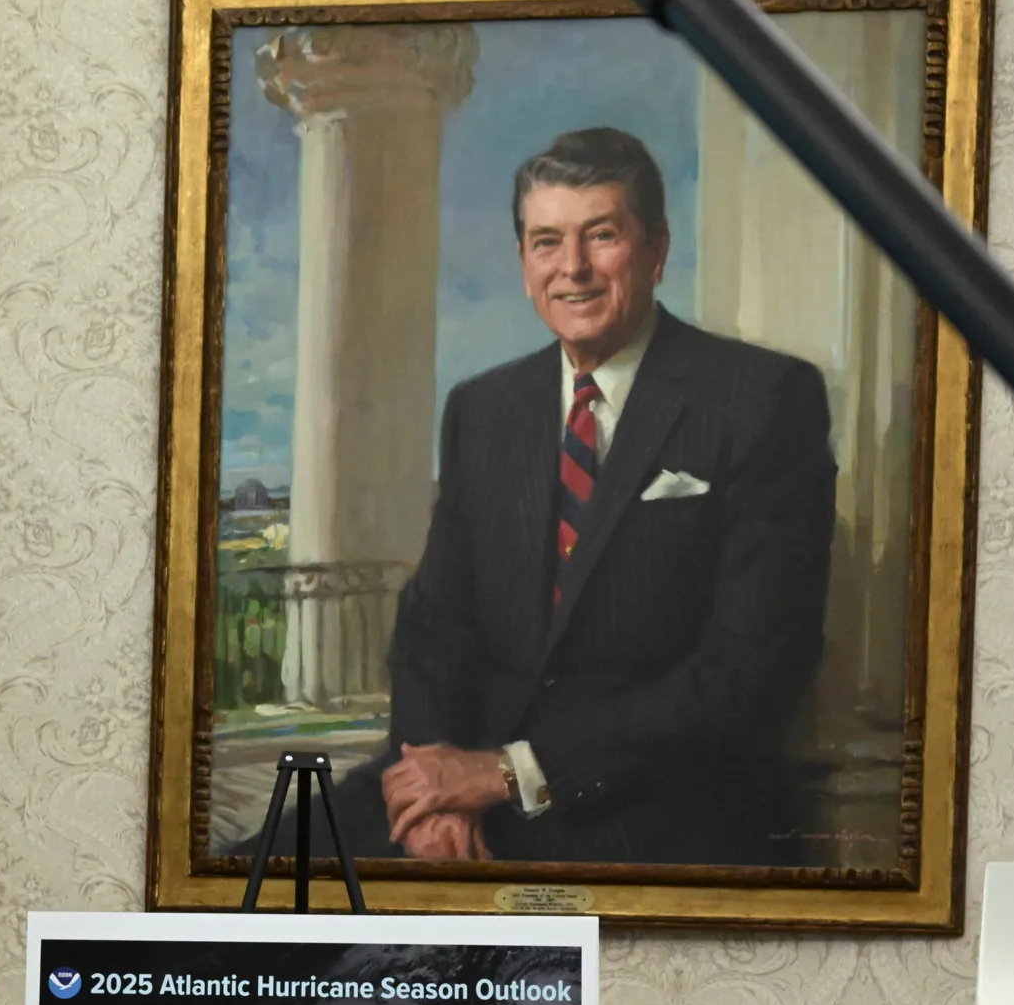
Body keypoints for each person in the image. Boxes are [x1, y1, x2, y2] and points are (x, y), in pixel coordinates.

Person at [344, 126, 836, 867]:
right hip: (462, 792)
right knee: (242, 889)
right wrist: (430, 791)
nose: (572, 268)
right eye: (546, 242)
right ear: (523, 262)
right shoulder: (483, 410)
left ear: (656, 250)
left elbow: (750, 670)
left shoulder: (762, 400)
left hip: (652, 805)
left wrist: (510, 774)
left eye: (601, 235)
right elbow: (432, 631)